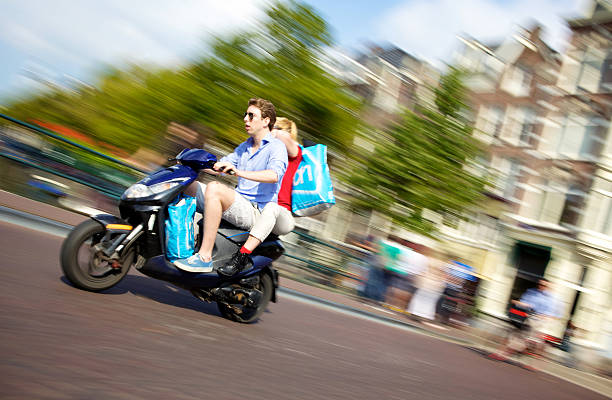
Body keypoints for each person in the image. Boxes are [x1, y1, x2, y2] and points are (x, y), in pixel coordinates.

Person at [173, 98, 288, 273]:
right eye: (245, 115)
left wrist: (238, 172)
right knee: (187, 185)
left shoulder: (276, 147)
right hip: (238, 202)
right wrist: (193, 160)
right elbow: (220, 167)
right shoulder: (244, 147)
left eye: (251, 115)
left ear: (266, 121)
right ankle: (180, 244)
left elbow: (274, 175)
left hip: (255, 210)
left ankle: (204, 257)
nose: (245, 119)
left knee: (214, 188)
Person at [216, 117, 303, 276]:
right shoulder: (266, 151)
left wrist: (267, 129)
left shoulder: (295, 154)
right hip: (258, 208)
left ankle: (242, 256)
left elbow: (285, 139)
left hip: (282, 215)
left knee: (272, 208)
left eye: (275, 127)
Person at [489, 278, 559, 367]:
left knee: (522, 336)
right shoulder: (532, 292)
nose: (541, 286)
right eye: (540, 284)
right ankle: (500, 352)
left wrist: (542, 316)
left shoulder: (550, 298)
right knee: (511, 332)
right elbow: (525, 303)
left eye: (544, 285)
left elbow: (550, 313)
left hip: (537, 320)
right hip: (525, 316)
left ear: (547, 286)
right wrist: (517, 302)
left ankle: (507, 353)